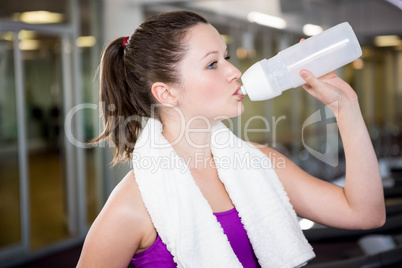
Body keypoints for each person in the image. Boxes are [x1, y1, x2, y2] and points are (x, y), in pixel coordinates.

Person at [77, 10, 385, 268]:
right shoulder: (131, 205)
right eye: (212, 64)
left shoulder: (260, 163)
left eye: (226, 57)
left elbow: (365, 214)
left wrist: (346, 107)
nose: (234, 71)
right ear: (166, 93)